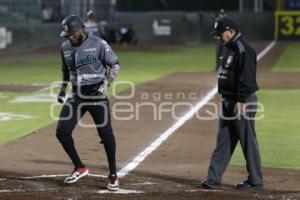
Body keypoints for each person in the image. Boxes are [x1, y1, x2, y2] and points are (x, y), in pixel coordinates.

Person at [56, 15, 120, 191]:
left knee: (106, 135)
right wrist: (62, 89)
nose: (68, 37)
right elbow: (65, 71)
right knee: (62, 132)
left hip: (96, 96)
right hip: (76, 96)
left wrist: (107, 82)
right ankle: (79, 167)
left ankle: (113, 175)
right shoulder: (65, 47)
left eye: (70, 34)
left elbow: (115, 65)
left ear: (79, 30)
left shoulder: (99, 43)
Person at [202, 18, 263, 190]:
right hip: (229, 101)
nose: (217, 38)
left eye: (219, 34)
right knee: (224, 140)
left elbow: (247, 78)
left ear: (230, 31)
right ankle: (213, 178)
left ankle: (255, 180)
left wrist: (241, 100)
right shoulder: (227, 48)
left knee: (247, 141)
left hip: (242, 102)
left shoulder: (244, 49)